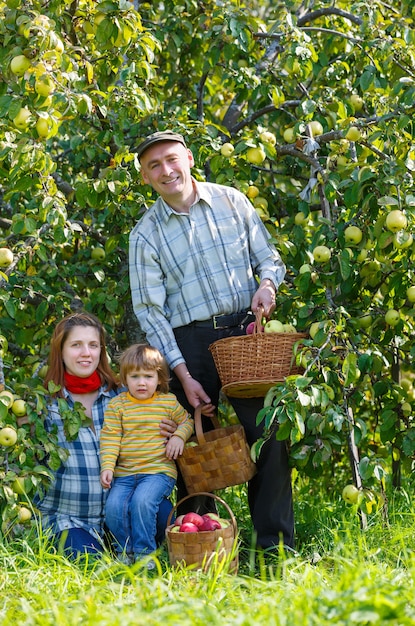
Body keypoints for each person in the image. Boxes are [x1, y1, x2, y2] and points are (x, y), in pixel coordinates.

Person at [128, 129, 295, 552]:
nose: (166, 170)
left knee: (270, 434)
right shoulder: (145, 234)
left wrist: (268, 287)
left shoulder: (231, 200)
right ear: (145, 177)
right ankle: (198, 549)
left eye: (171, 159)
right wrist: (182, 374)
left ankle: (272, 549)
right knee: (188, 451)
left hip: (245, 337)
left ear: (188, 157)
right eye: (154, 166)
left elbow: (269, 258)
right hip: (190, 345)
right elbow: (151, 312)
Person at [34, 312, 177, 559]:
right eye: (76, 345)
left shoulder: (123, 396)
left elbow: (160, 425)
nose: (86, 353)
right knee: (92, 561)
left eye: (93, 345)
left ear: (102, 350)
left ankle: (127, 546)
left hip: (122, 509)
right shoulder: (44, 405)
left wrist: (172, 431)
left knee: (168, 519)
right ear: (61, 350)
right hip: (70, 518)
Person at [100, 343, 194, 564]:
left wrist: (179, 436)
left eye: (148, 376)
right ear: (124, 380)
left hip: (157, 471)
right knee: (113, 507)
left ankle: (144, 554)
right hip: (124, 474)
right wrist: (108, 466)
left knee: (142, 502)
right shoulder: (118, 406)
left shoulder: (167, 402)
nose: (141, 382)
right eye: (134, 377)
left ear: (159, 379)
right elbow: (110, 438)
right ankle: (125, 551)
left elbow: (187, 421)